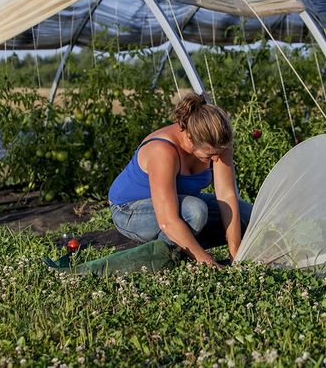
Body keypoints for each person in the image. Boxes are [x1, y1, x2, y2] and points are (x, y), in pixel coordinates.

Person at [108, 92, 252, 266]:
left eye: (219, 153)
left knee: (247, 215)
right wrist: (206, 260)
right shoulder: (163, 151)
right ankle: (164, 258)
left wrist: (234, 252)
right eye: (210, 155)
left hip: (179, 204)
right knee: (195, 212)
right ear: (190, 138)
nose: (216, 160)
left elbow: (227, 195)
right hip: (129, 210)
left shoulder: (218, 143)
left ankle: (184, 248)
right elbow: (167, 220)